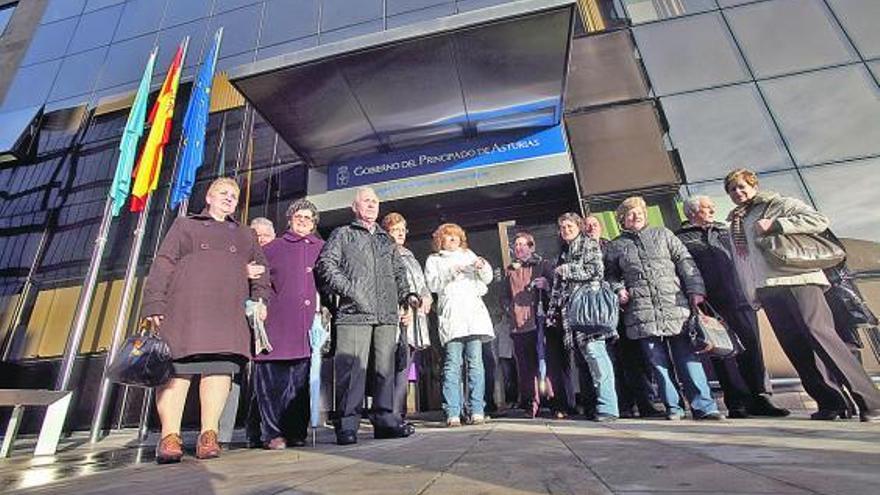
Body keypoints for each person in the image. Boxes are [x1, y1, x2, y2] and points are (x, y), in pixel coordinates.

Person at [724, 168, 880, 421]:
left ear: (754, 185)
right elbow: (744, 262)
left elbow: (818, 220)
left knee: (822, 336)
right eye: (732, 189)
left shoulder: (777, 204)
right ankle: (831, 403)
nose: (737, 192)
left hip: (799, 281)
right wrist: (751, 291)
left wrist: (777, 224)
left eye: (742, 186)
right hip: (768, 288)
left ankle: (871, 402)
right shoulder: (736, 222)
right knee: (795, 346)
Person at [142, 177, 271, 463]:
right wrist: (154, 302)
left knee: (219, 371)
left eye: (234, 196)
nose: (229, 198)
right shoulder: (185, 225)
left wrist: (261, 301)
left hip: (227, 314)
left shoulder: (246, 234)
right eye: (223, 193)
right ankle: (169, 437)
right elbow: (163, 263)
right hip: (184, 311)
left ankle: (208, 434)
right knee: (177, 373)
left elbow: (262, 272)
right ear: (209, 197)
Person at [605, 196, 723, 421]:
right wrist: (618, 289)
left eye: (639, 212)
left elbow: (684, 261)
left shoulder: (664, 234)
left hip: (674, 305)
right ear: (622, 220)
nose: (636, 215)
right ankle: (674, 407)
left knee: (687, 357)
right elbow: (610, 275)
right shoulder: (616, 246)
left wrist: (695, 290)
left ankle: (704, 406)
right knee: (657, 362)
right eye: (630, 213)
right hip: (641, 311)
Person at [315, 187, 414, 444]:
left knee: (385, 369)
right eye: (366, 201)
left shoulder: (386, 240)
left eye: (375, 201)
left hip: (386, 313)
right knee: (352, 371)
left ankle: (385, 421)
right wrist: (351, 291)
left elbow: (399, 272)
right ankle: (347, 424)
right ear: (355, 207)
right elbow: (325, 265)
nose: (371, 205)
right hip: (353, 312)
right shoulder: (343, 234)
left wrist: (407, 295)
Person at [678, 196, 789, 418]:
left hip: (739, 296)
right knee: (721, 351)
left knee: (752, 347)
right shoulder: (681, 238)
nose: (712, 210)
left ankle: (760, 398)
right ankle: (736, 402)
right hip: (711, 302)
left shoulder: (726, 231)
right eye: (706, 207)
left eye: (711, 207)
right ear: (692, 212)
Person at [254, 199, 324, 450]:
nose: (303, 220)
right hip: (277, 322)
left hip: (307, 327)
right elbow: (257, 280)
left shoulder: (322, 248)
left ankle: (296, 432)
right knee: (273, 383)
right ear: (290, 220)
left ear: (314, 223)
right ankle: (273, 434)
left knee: (299, 383)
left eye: (308, 217)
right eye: (299, 216)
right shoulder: (273, 247)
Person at [585, 215, 663, 419]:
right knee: (611, 361)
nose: (591, 228)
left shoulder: (613, 246)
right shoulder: (580, 252)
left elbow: (618, 273)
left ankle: (646, 403)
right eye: (587, 226)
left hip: (621, 309)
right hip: (598, 315)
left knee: (634, 358)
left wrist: (620, 290)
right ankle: (623, 405)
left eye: (594, 225)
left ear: (600, 228)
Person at [547, 213, 619, 421]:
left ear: (578, 226)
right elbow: (557, 289)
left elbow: (596, 270)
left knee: (596, 356)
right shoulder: (563, 253)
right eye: (562, 227)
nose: (566, 230)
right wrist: (551, 314)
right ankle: (592, 407)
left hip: (589, 312)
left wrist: (568, 269)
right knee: (583, 362)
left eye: (569, 226)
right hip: (572, 316)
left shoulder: (588, 244)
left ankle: (608, 407)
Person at [425, 223, 495, 427]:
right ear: (440, 240)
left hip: (473, 317)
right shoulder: (434, 260)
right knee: (452, 364)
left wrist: (483, 266)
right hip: (453, 317)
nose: (453, 239)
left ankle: (477, 410)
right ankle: (453, 411)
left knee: (476, 364)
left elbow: (487, 279)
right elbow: (432, 285)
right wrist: (449, 273)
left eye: (456, 236)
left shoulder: (468, 254)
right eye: (448, 236)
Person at [381, 212, 433, 420]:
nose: (401, 233)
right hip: (397, 319)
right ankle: (389, 415)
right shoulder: (384, 254)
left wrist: (427, 297)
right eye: (396, 229)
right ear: (386, 232)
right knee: (392, 369)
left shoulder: (409, 255)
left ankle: (399, 415)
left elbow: (420, 284)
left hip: (414, 319)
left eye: (403, 229)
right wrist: (400, 310)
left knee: (405, 367)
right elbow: (386, 287)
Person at [500, 231, 555, 418]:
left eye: (523, 244)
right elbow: (504, 296)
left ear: (531, 247)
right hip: (519, 325)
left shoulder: (543, 265)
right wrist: (509, 309)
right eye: (516, 245)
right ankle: (531, 403)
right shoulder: (510, 270)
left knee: (547, 362)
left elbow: (555, 289)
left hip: (540, 321)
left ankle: (553, 401)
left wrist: (546, 286)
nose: (519, 248)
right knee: (525, 366)